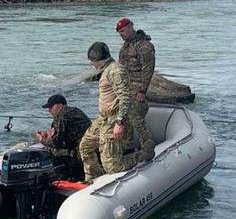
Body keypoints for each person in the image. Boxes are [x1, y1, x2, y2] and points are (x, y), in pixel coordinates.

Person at [78, 42, 138, 184]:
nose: (90, 63)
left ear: (97, 59)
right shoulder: (106, 71)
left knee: (112, 167)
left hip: (113, 120)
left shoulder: (115, 71)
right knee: (85, 146)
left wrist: (119, 122)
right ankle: (93, 178)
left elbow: (125, 97)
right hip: (102, 119)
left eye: (91, 60)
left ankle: (140, 156)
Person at [116, 18, 156, 162]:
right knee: (125, 119)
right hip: (125, 89)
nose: (121, 34)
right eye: (119, 32)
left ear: (131, 27)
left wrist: (142, 91)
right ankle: (127, 148)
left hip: (137, 89)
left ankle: (148, 146)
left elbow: (148, 70)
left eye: (123, 31)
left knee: (136, 118)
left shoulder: (144, 46)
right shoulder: (126, 46)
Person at [34, 94, 91, 181]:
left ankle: (57, 179)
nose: (49, 110)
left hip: (80, 154)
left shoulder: (61, 117)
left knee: (48, 151)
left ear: (60, 106)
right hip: (91, 150)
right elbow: (66, 134)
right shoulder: (75, 110)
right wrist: (49, 135)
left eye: (51, 107)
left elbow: (55, 143)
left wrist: (42, 139)